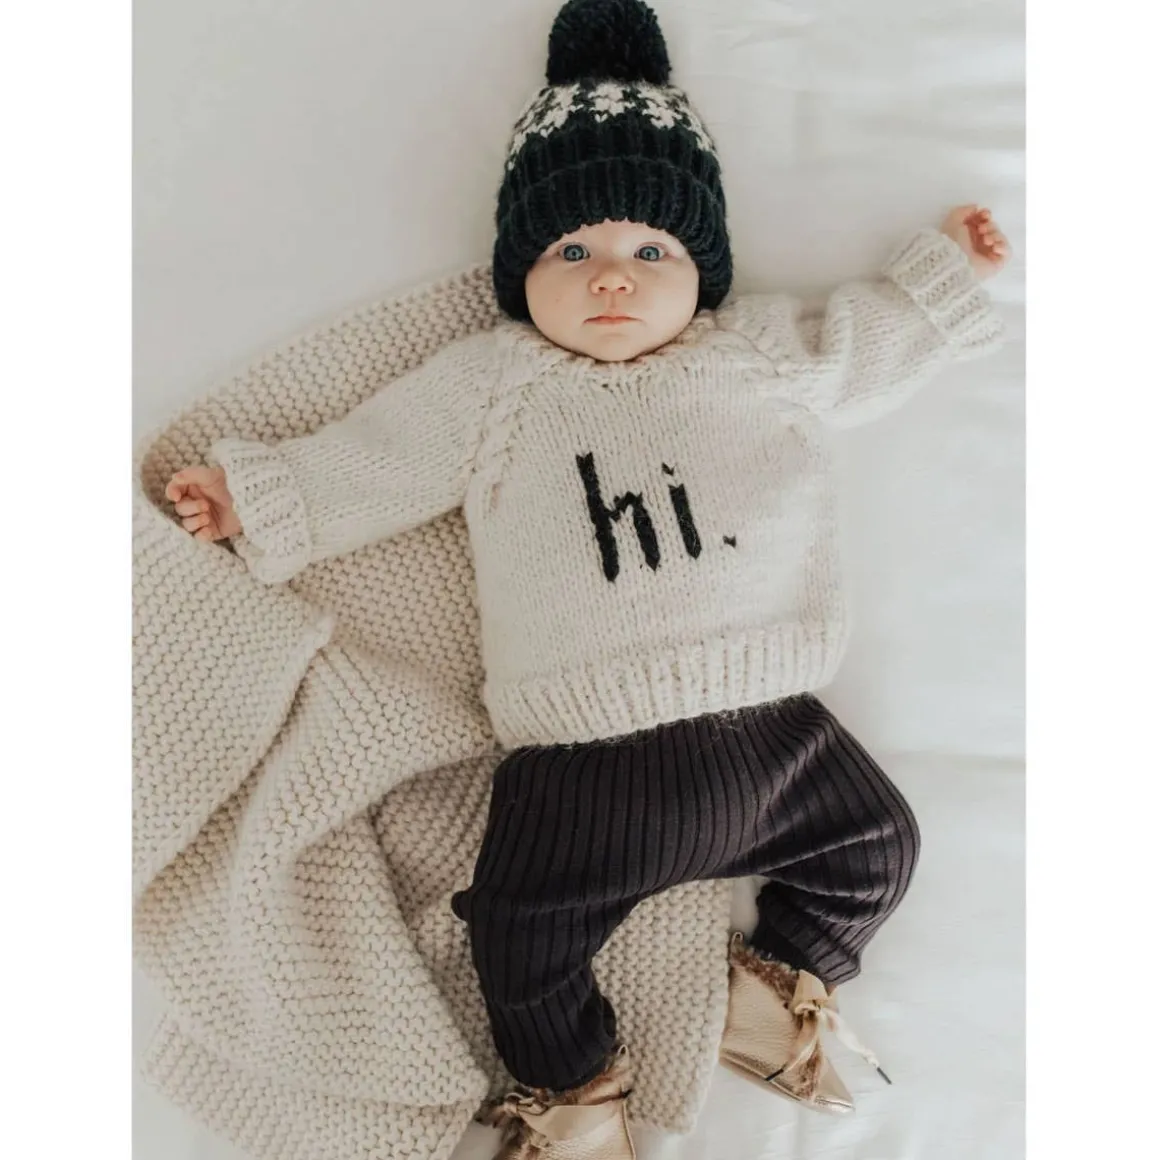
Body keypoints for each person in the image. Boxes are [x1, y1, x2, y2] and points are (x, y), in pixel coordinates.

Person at [165, 1, 1009, 1156]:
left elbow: (862, 341)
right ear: (522, 271)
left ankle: (772, 991)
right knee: (515, 936)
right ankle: (576, 1087)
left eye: (648, 252)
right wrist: (259, 500)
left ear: (701, 269)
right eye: (573, 252)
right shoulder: (493, 384)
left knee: (879, 846)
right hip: (581, 766)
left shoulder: (753, 354)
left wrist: (940, 277)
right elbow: (376, 461)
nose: (611, 279)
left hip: (773, 733)